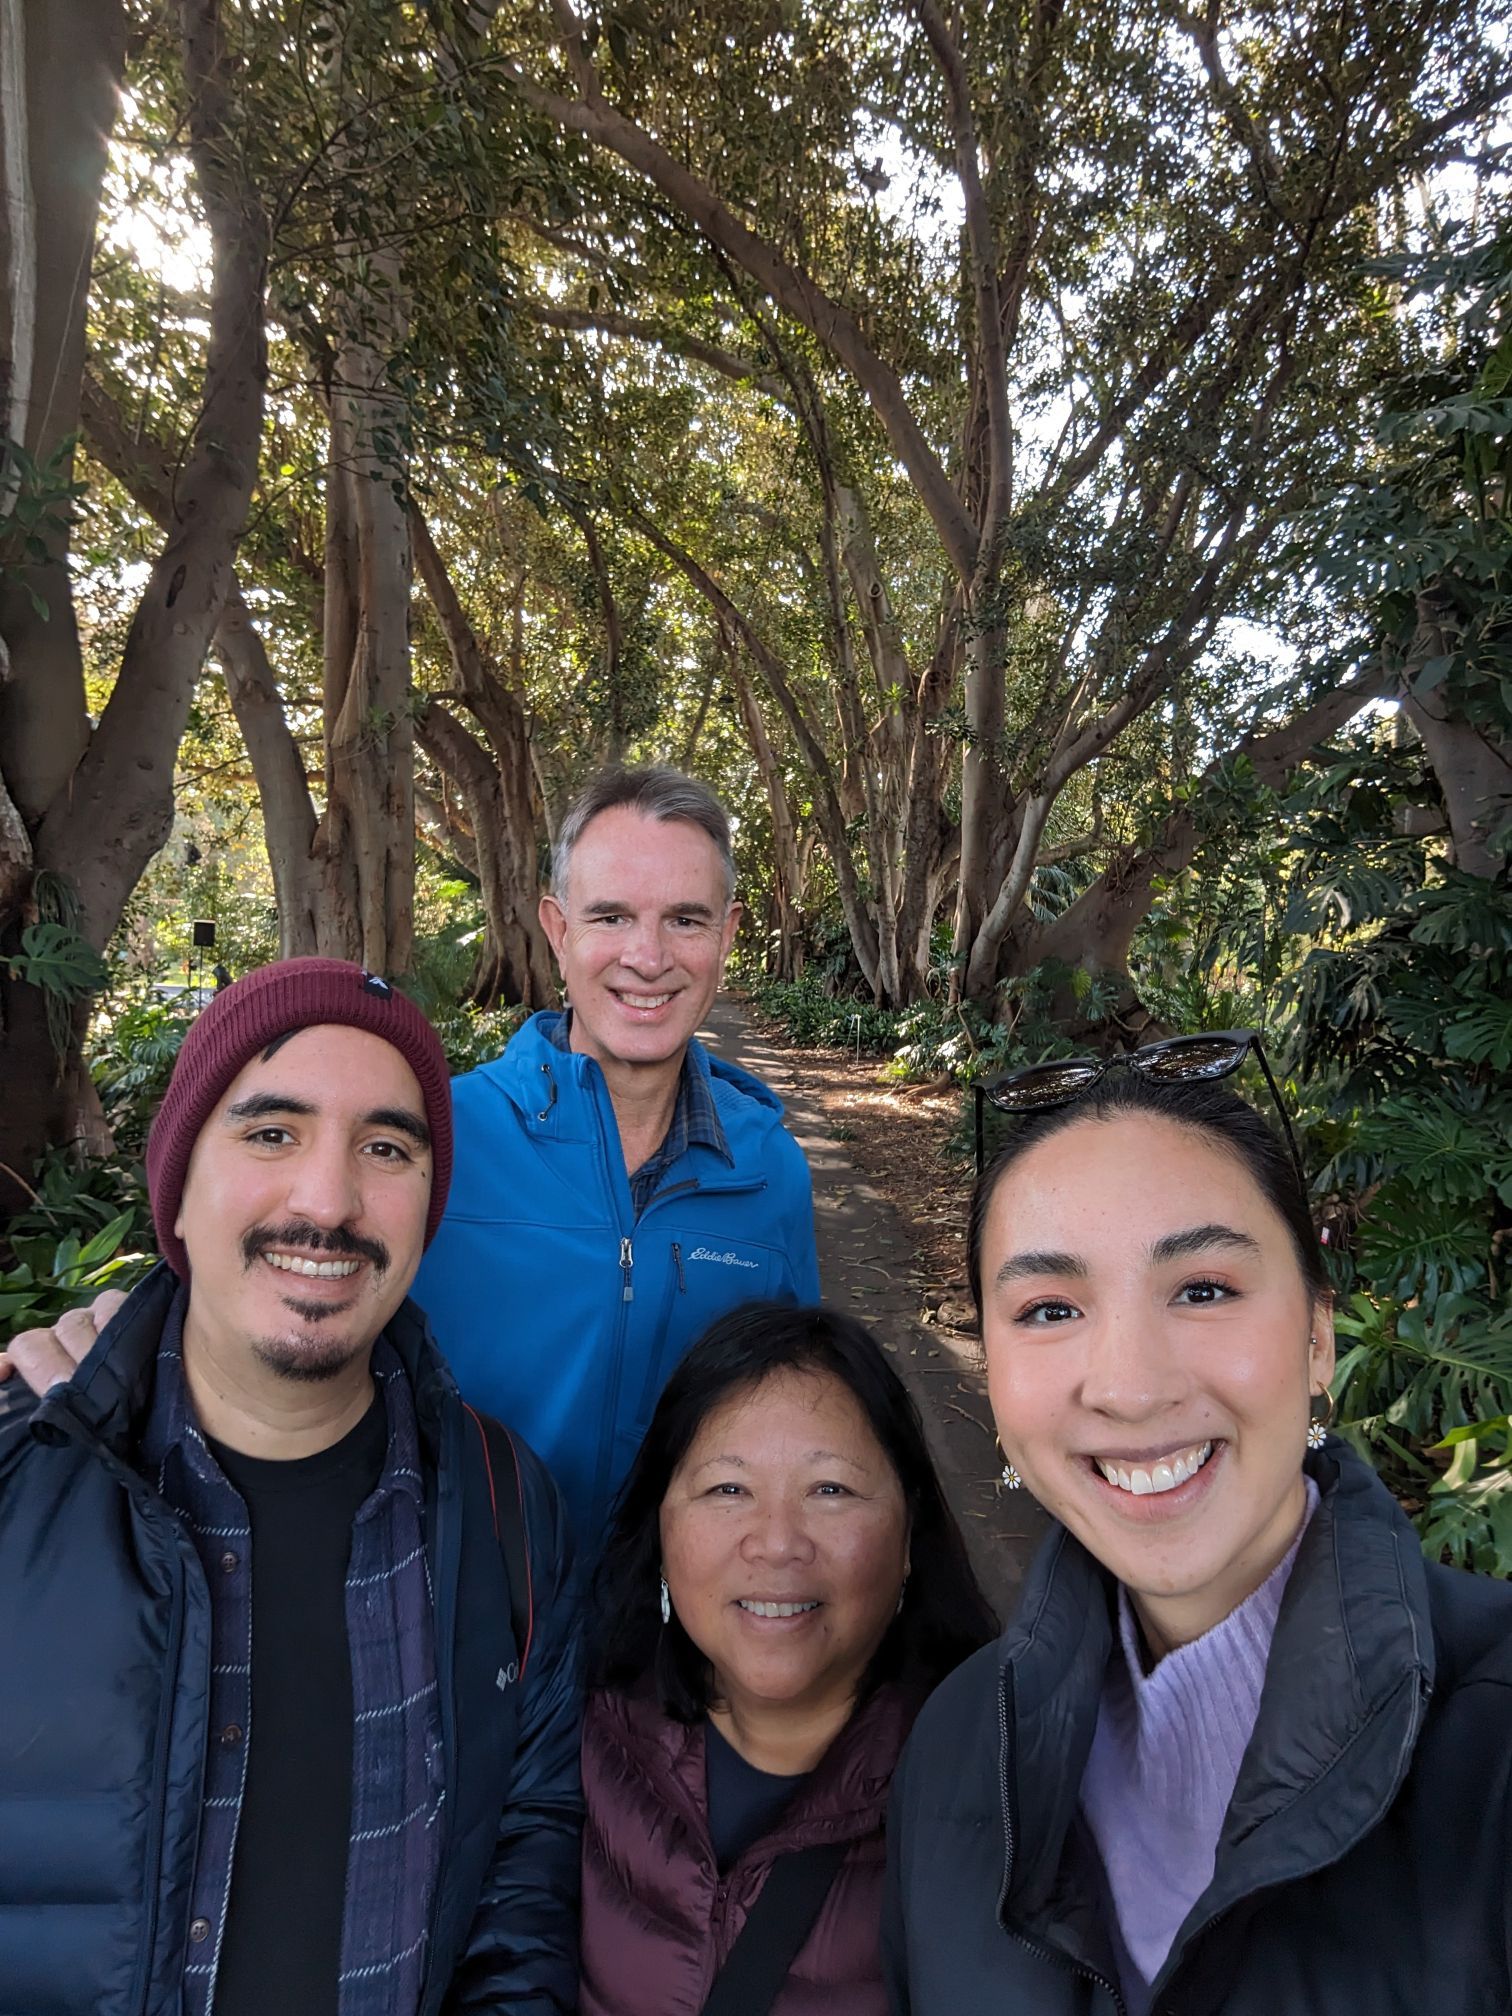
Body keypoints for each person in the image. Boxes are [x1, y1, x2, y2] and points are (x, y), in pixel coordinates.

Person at [0, 959, 581, 2016]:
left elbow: (524, 1849)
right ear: (176, 1184)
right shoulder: (27, 1481)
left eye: (386, 1148)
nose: (328, 1200)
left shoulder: (500, 1504)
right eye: (271, 1133)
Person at [885, 1045, 1512, 2016]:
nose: (1131, 1387)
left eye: (1204, 1289)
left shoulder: (1490, 1746)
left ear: (1316, 1338)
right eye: (1050, 1308)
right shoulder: (958, 1744)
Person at [413, 764, 821, 1543]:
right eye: (610, 917)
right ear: (559, 931)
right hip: (467, 1630)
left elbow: (798, 1411)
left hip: (672, 1638)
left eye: (686, 920)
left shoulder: (770, 1171)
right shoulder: (439, 1142)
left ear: (728, 936)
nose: (648, 956)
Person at [579, 1301, 996, 2016]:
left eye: (830, 1490)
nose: (776, 1543)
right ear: (662, 1526)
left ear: (908, 1538)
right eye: (727, 1489)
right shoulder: (580, 1752)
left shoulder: (991, 1807)